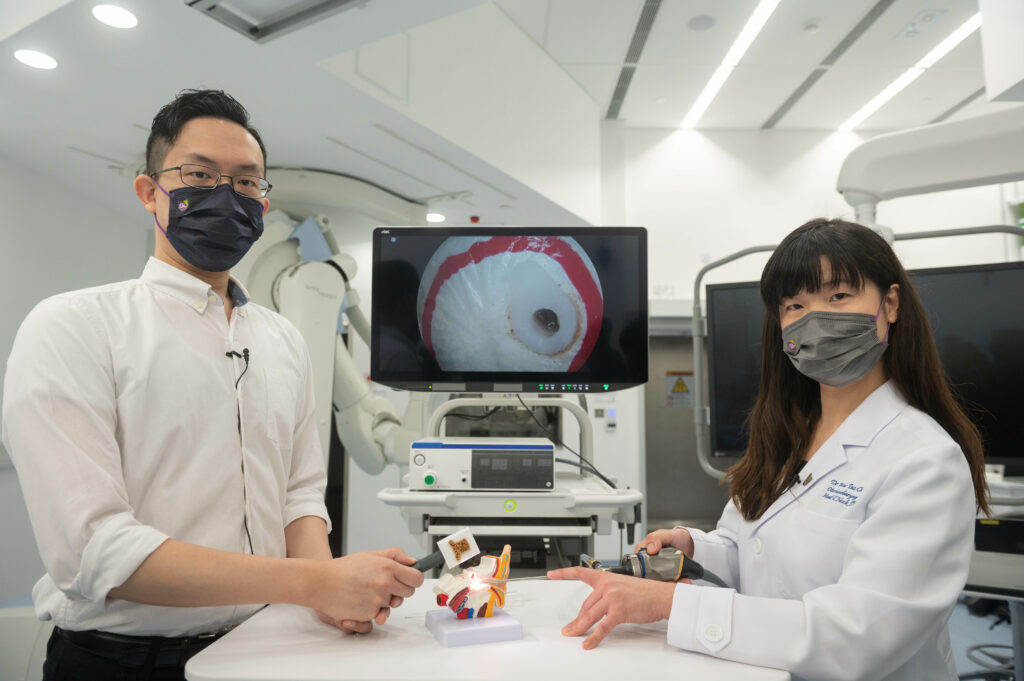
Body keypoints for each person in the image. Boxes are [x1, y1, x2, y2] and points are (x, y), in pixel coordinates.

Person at [1, 89, 423, 680]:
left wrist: (331, 599)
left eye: (247, 182)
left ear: (263, 203)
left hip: (269, 648)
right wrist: (316, 581)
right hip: (126, 662)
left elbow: (299, 496)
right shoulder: (74, 326)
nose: (227, 195)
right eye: (200, 174)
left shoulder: (283, 341)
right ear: (150, 192)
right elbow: (94, 553)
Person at [549, 218, 990, 681]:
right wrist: (693, 549)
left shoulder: (924, 460)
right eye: (795, 304)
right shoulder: (788, 436)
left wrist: (672, 604)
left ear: (891, 304)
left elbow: (855, 636)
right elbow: (751, 552)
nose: (815, 319)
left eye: (838, 297)